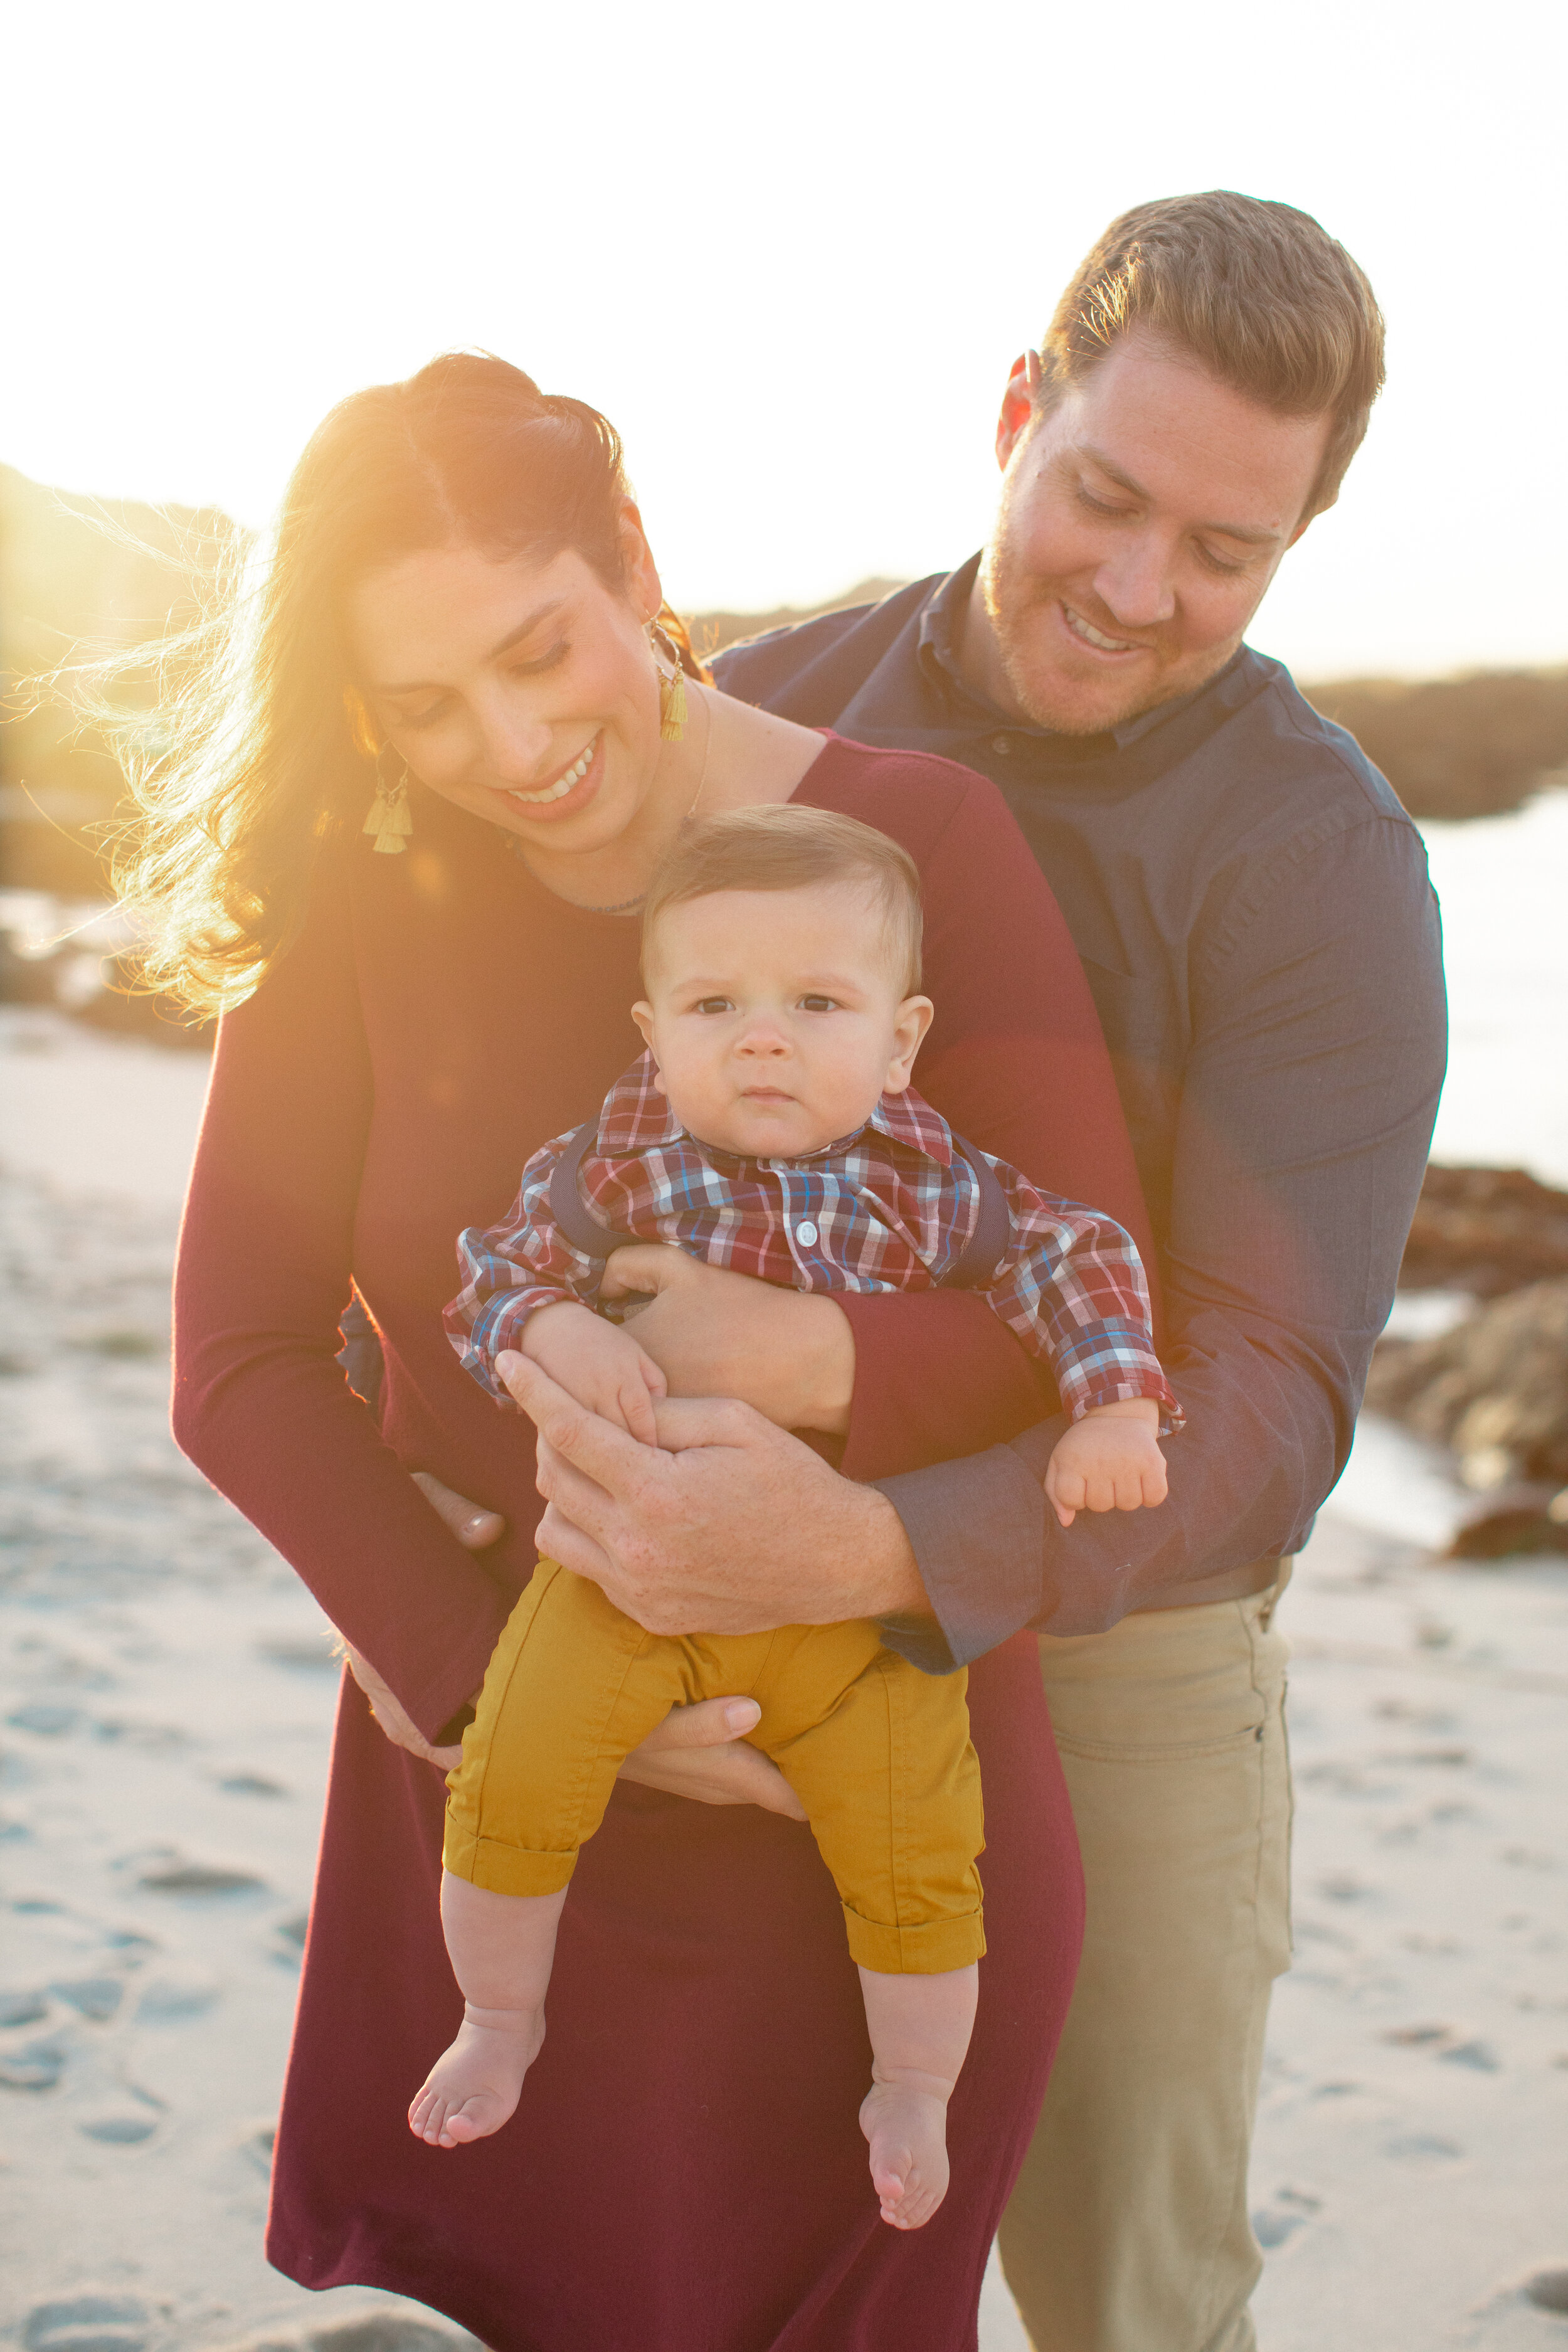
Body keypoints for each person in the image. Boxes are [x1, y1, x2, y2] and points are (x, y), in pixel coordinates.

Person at [503, 193, 1448, 2351]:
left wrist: (868, 1523)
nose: (1138, 589)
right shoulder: (755, 712)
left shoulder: (1324, 864)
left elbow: (1274, 1403)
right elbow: (554, 1171)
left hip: (1128, 1659)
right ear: (1017, 411)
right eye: (1105, 496)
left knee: (1130, 2298)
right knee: (732, 2265)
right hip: (719, 1625)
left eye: (1228, 551)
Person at [144, 351, 1161, 2349]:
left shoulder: (913, 845)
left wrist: (808, 1363)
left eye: (542, 650)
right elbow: (237, 1358)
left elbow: (1096, 1303)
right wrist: (465, 1658)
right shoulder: (357, 903)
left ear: (632, 558)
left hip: (860, 1821)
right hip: (503, 1801)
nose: (510, 746)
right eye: (421, 704)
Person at [414, 805, 1177, 2231]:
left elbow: (1082, 1256)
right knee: (509, 1768)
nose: (761, 1038)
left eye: (816, 1005)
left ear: (897, 1040)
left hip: (851, 1611)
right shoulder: (611, 1173)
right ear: (654, 1031)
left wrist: (1113, 1404)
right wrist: (546, 1336)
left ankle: (914, 2083)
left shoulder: (941, 1192)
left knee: (920, 1848)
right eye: (716, 1005)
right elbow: (485, 1275)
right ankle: (496, 2012)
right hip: (620, 1587)